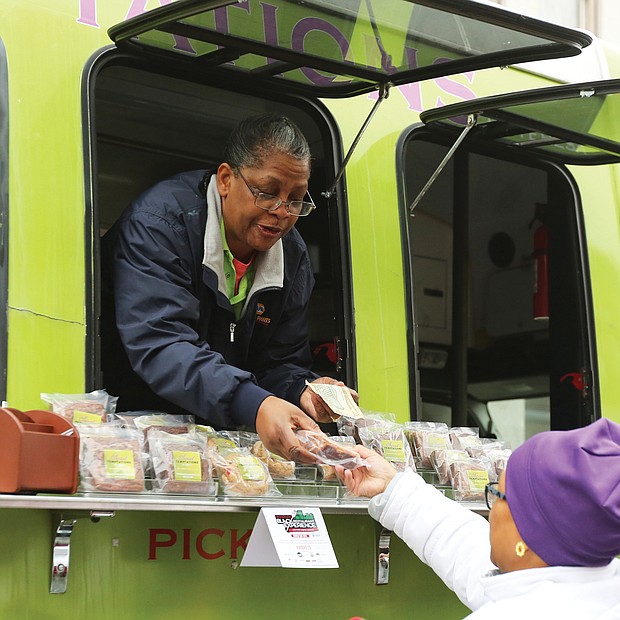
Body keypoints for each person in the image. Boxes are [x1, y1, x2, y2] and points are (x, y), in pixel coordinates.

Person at [101, 113, 353, 461]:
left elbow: (279, 362)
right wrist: (254, 403)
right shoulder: (160, 225)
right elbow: (161, 344)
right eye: (268, 193)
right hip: (134, 434)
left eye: (296, 199)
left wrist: (303, 390)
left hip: (220, 448)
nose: (283, 213)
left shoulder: (292, 255)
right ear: (225, 179)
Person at [337, 418, 620, 618]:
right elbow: (467, 549)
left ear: (528, 536)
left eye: (498, 495)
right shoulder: (598, 584)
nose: (491, 510)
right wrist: (393, 487)